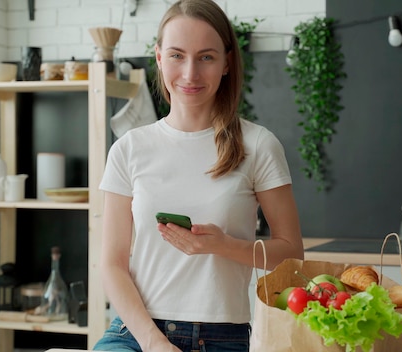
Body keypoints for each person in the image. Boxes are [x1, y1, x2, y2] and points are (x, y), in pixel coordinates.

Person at [93, 0, 304, 351]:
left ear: (226, 63)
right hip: (136, 333)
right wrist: (154, 343)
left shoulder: (258, 145)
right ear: (159, 57)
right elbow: (111, 264)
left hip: (221, 338)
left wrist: (222, 246)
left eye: (206, 57)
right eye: (177, 55)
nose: (190, 74)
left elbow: (291, 254)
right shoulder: (129, 149)